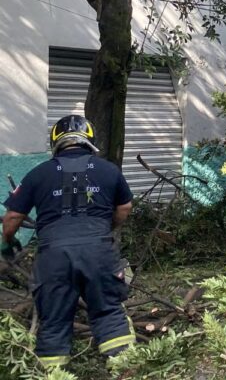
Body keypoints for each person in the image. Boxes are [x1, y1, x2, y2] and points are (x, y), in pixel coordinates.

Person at [1, 115, 135, 369]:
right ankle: (125, 370)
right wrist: (105, 230)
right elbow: (125, 207)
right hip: (99, 253)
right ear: (89, 140)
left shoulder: (38, 173)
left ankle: (54, 373)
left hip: (53, 257)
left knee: (53, 322)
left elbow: (13, 217)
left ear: (56, 142)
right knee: (108, 312)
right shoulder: (109, 170)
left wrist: (7, 242)